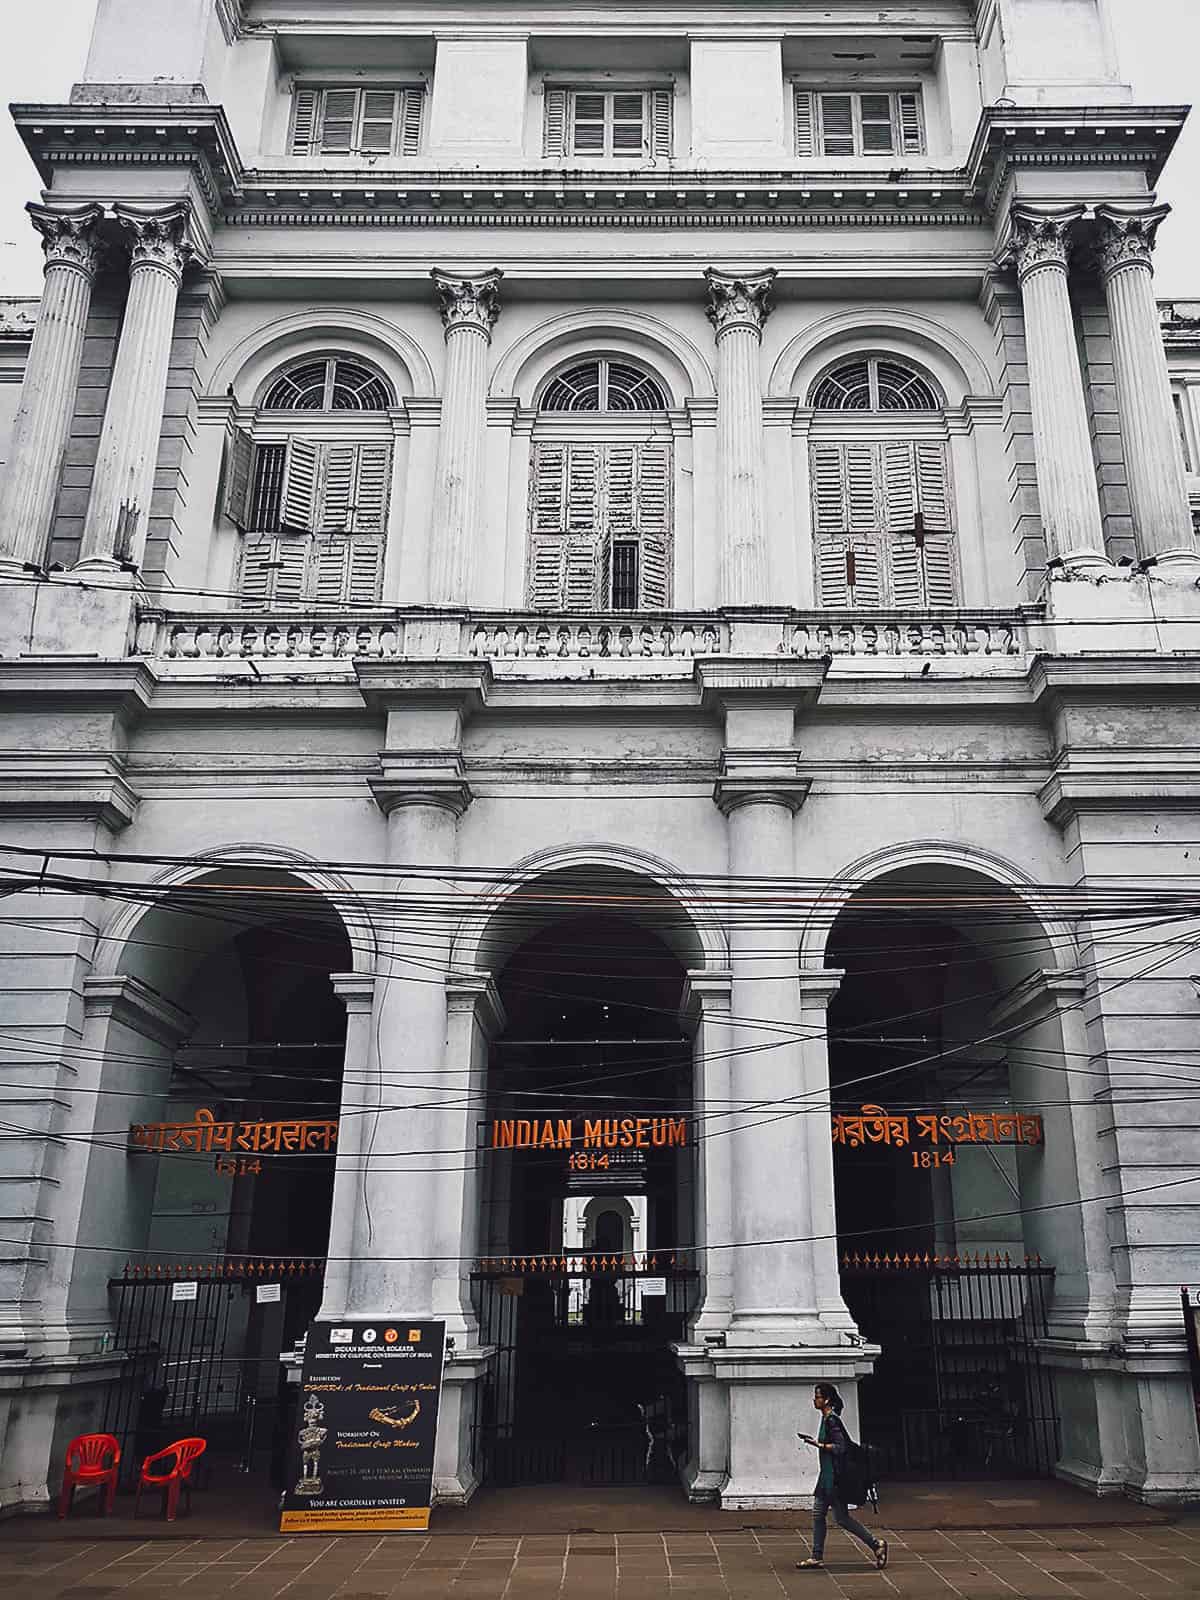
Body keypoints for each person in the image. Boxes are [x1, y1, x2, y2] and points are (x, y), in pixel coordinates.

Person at [796, 1383, 887, 1571]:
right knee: (833, 1516)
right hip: (828, 1476)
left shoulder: (831, 1420)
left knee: (831, 1516)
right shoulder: (827, 1419)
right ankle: (873, 1545)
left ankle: (874, 1544)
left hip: (833, 1478)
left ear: (826, 1400)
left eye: (818, 1396)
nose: (815, 1400)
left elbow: (840, 1447)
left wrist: (818, 1445)